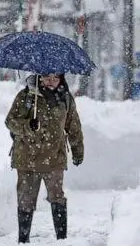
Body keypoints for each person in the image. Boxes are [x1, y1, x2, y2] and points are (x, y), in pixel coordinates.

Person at [5, 73, 84, 243]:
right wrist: (27, 126)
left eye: (55, 79)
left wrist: (78, 151)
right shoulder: (26, 96)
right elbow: (10, 121)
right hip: (27, 158)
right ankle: (23, 240)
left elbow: (74, 126)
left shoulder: (66, 99)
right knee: (25, 200)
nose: (51, 82)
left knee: (57, 197)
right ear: (40, 78)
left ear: (61, 80)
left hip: (55, 158)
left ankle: (62, 239)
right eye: (47, 78)